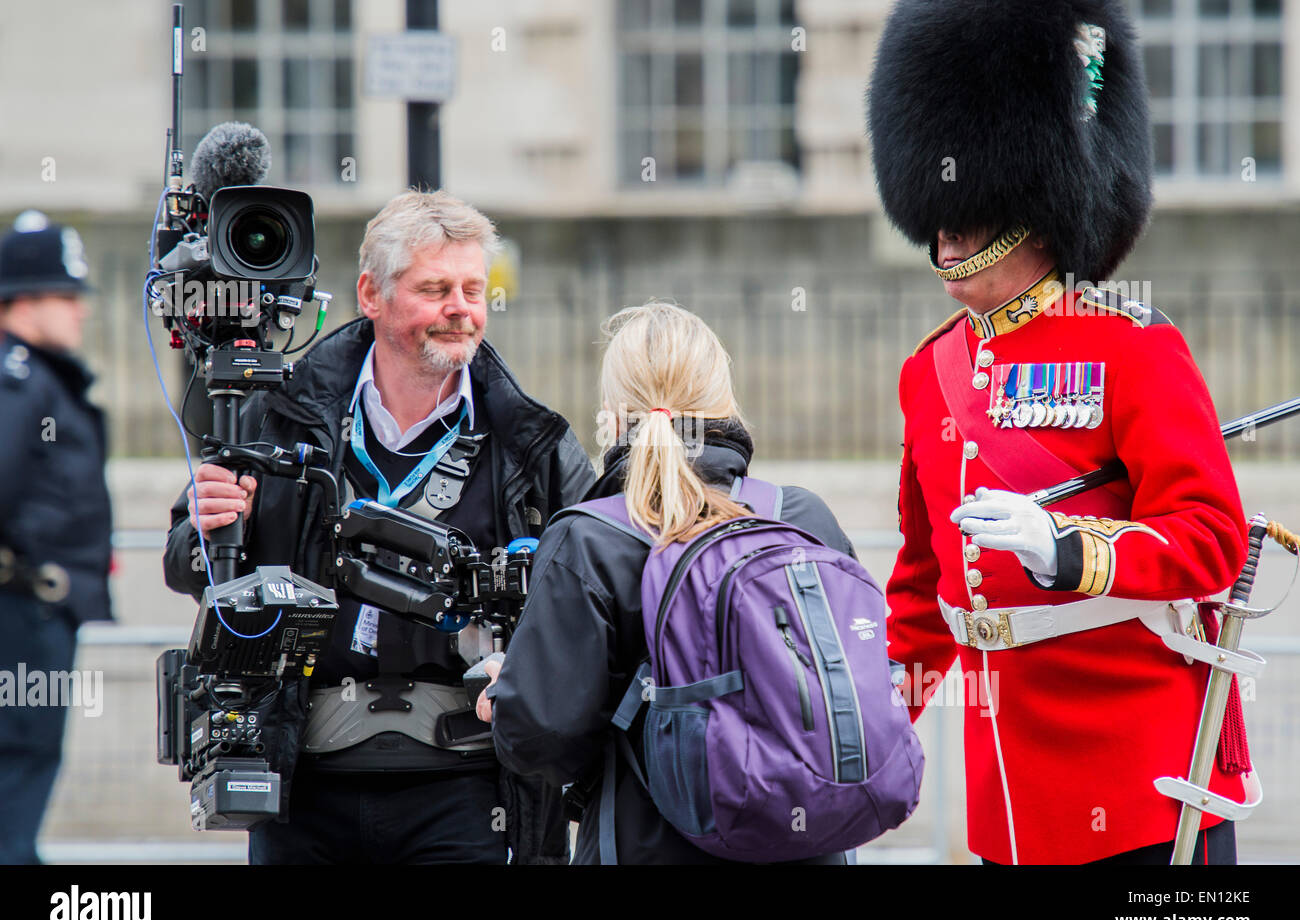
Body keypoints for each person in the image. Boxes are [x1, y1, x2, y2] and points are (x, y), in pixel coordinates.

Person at [868, 0, 1249, 864]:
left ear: (1030, 198)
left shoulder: (1133, 345)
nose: (948, 222)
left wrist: (1068, 549)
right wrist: (884, 699)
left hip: (1143, 785)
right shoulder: (928, 373)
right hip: (1007, 800)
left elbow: (1211, 541)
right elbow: (927, 583)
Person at [162, 190, 595, 864]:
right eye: (435, 288)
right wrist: (207, 526)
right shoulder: (277, 415)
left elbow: (596, 590)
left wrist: (535, 667)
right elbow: (189, 566)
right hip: (302, 782)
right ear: (372, 294)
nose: (461, 308)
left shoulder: (530, 438)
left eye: (472, 289)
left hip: (470, 786)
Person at [479, 302, 858, 864]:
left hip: (643, 845)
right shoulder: (801, 518)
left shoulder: (588, 539)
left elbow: (542, 740)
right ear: (725, 401)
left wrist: (506, 698)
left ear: (613, 412)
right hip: (810, 846)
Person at [0, 210, 112, 864]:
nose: (80, 313)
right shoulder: (18, 379)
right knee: (17, 784)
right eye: (67, 296)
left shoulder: (29, 376)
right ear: (23, 300)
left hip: (31, 612)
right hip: (20, 616)